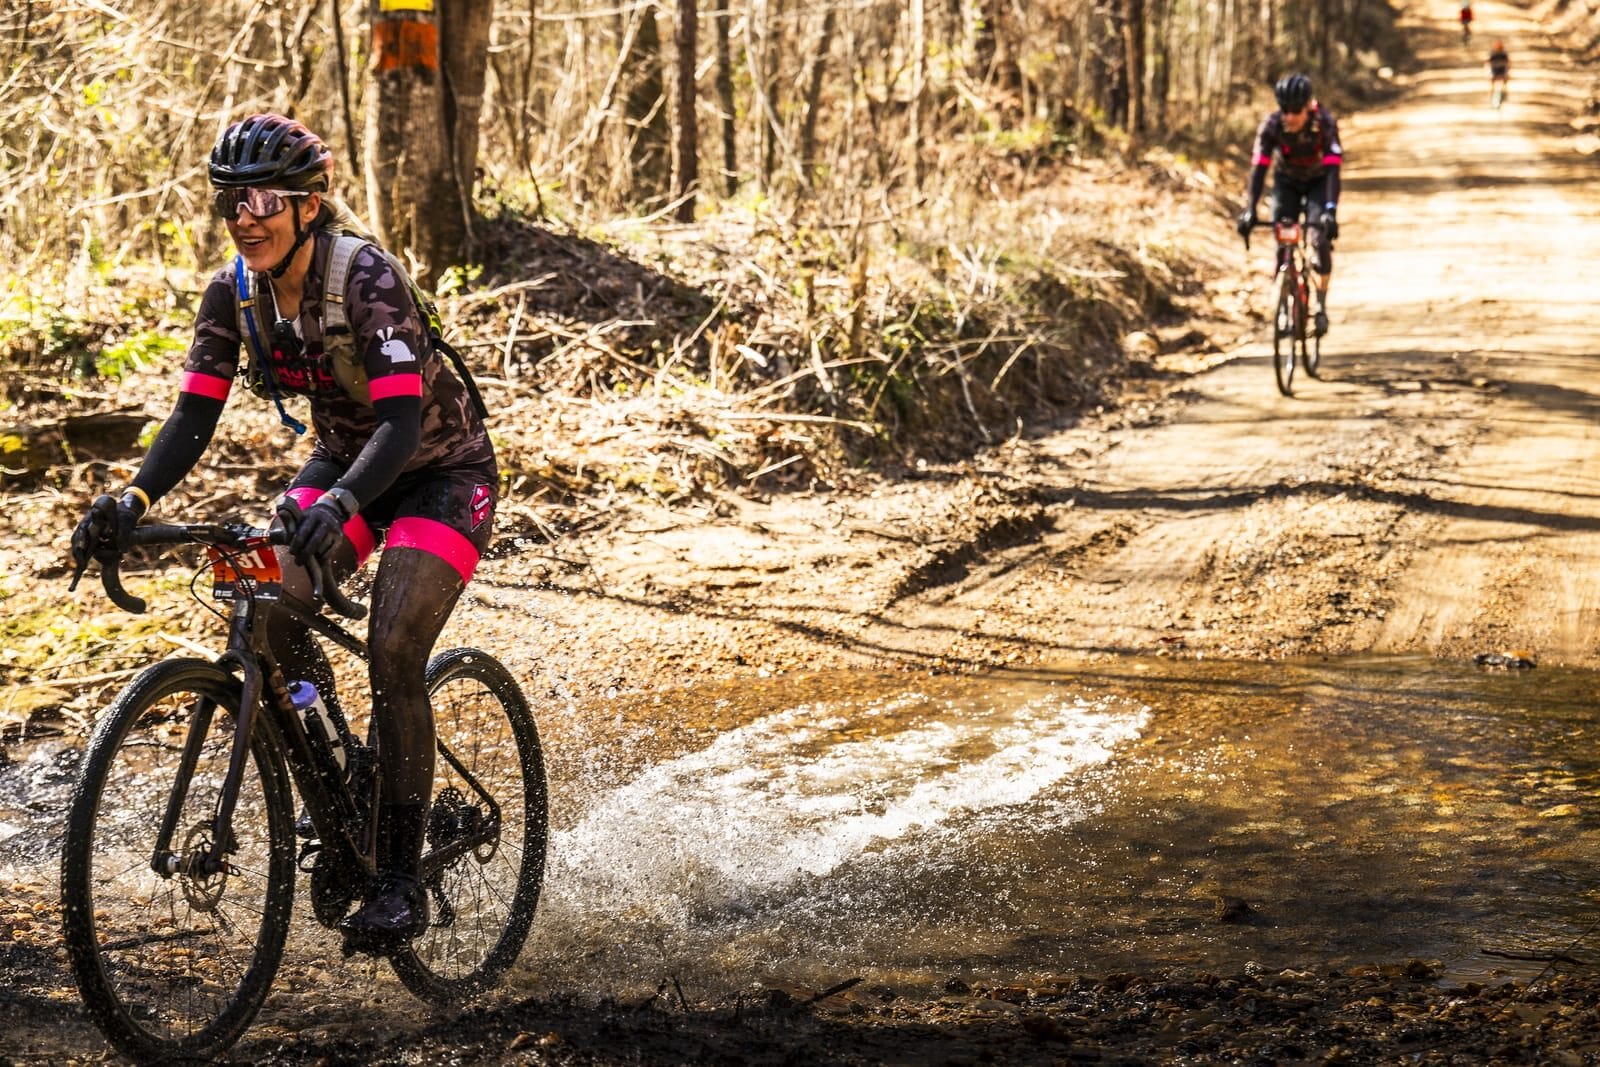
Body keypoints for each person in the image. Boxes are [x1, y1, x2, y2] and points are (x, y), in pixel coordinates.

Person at [69, 114, 497, 954]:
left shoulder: (365, 276)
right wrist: (132, 498)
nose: (246, 216)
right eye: (231, 201)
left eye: (265, 198)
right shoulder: (235, 290)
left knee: (393, 645)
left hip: (440, 472)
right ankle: (346, 780)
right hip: (345, 460)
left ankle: (400, 879)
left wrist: (337, 504)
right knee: (263, 597)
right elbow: (196, 410)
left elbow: (403, 424)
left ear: (310, 205)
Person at [1235, 73, 1344, 338]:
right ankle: (1283, 302)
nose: (1290, 117)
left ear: (1308, 106)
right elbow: (1259, 170)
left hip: (1319, 182)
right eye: (1285, 110)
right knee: (1283, 240)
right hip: (1287, 182)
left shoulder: (1325, 124)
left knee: (1317, 240)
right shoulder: (1272, 126)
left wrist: (1329, 211)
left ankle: (1320, 305)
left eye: (1296, 111)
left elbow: (1333, 172)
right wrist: (1251, 208)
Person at [1488, 39, 1510, 106]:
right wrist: (1488, 72)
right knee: (1492, 84)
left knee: (1504, 82)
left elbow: (1508, 63)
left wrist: (1507, 72)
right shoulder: (1492, 53)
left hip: (1502, 70)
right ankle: (1491, 95)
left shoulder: (1504, 53)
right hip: (1494, 70)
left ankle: (1505, 94)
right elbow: (1488, 63)